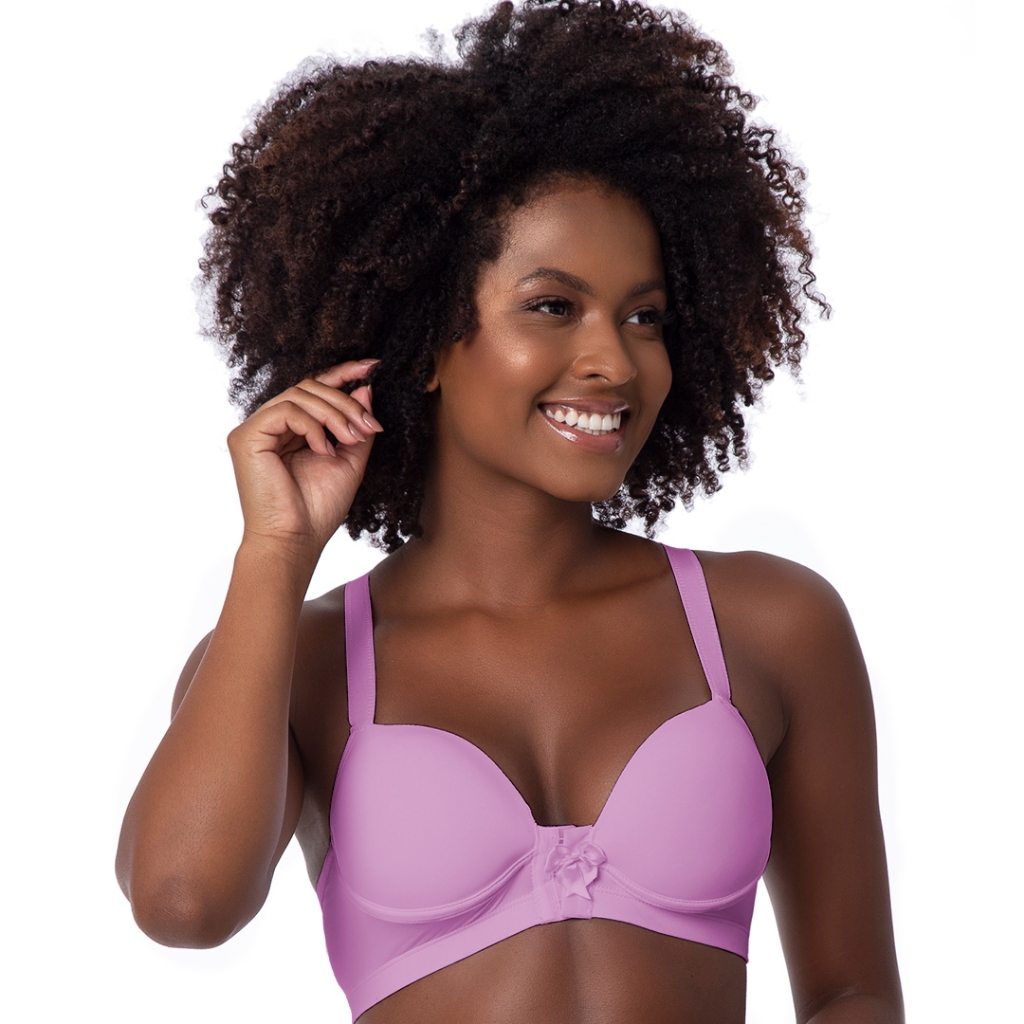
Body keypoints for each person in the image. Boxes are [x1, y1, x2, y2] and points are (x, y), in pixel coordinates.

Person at [116, 1, 903, 1020]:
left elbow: (852, 992)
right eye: (553, 306)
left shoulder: (770, 624)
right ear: (426, 336)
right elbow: (183, 902)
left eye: (645, 316)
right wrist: (275, 550)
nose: (614, 361)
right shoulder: (301, 663)